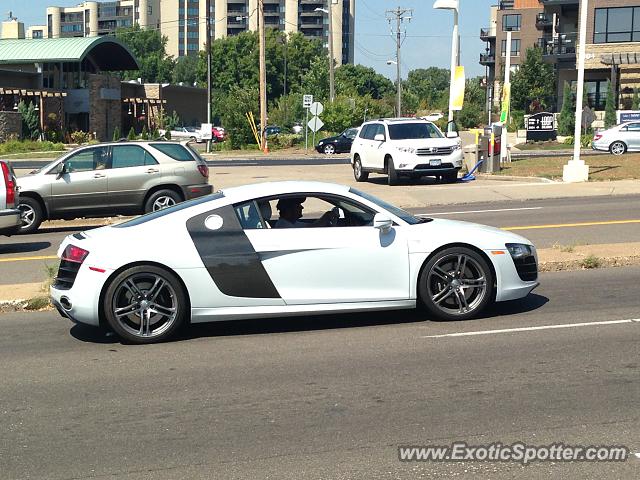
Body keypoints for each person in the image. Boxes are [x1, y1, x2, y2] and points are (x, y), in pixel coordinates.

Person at [274, 197, 338, 228]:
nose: (302, 207)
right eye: (298, 206)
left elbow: (311, 226)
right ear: (289, 210)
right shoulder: (284, 226)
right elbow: (312, 228)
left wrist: (326, 218)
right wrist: (326, 217)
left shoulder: (291, 222)